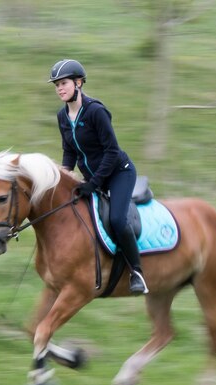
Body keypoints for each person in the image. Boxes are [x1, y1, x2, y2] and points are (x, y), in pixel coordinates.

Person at [48, 59, 148, 295]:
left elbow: (112, 151)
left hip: (118, 172)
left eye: (63, 83)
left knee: (116, 220)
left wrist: (93, 183)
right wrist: (66, 177)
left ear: (78, 83)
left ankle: (137, 273)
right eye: (56, 85)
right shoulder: (62, 117)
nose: (59, 88)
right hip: (92, 177)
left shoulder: (96, 112)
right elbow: (69, 150)